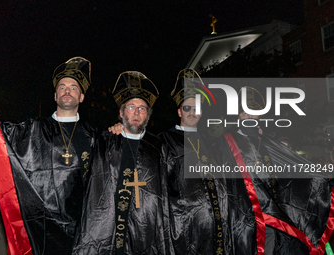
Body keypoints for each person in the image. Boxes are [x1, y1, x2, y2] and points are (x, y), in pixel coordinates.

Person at [0, 57, 97, 255]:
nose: (67, 91)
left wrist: (121, 130)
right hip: (40, 231)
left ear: (82, 97)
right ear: (55, 95)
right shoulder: (33, 129)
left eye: (73, 87)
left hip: (80, 232)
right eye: (62, 87)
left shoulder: (94, 136)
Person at [218, 86, 334, 254]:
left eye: (253, 113)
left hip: (274, 212)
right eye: (245, 113)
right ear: (238, 117)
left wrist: (318, 178)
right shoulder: (226, 142)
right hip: (244, 215)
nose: (249, 117)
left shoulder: (268, 142)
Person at [72, 71, 172, 254]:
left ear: (148, 116)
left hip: (144, 233)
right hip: (106, 230)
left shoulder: (158, 148)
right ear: (120, 112)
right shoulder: (103, 142)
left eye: (142, 108)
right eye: (131, 107)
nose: (136, 112)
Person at [158, 69, 228, 255]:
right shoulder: (163, 140)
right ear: (179, 111)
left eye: (196, 108)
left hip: (213, 223)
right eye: (187, 108)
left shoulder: (212, 141)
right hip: (181, 225)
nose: (191, 112)